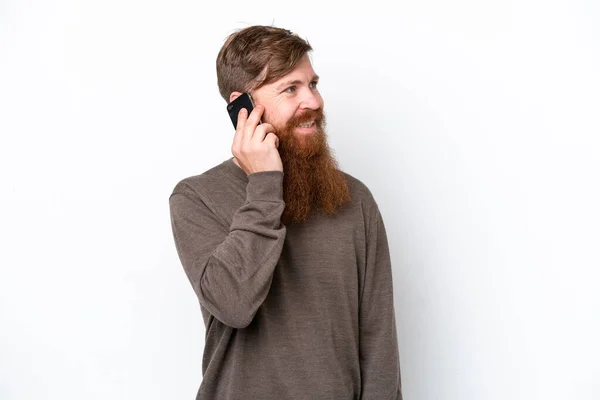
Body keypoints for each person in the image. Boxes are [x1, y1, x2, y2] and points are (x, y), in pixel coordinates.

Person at [169, 25, 403, 400]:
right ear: (242, 106)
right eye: (290, 88)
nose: (312, 101)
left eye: (313, 84)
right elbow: (233, 304)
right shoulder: (196, 197)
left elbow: (379, 344)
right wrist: (264, 186)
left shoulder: (356, 200)